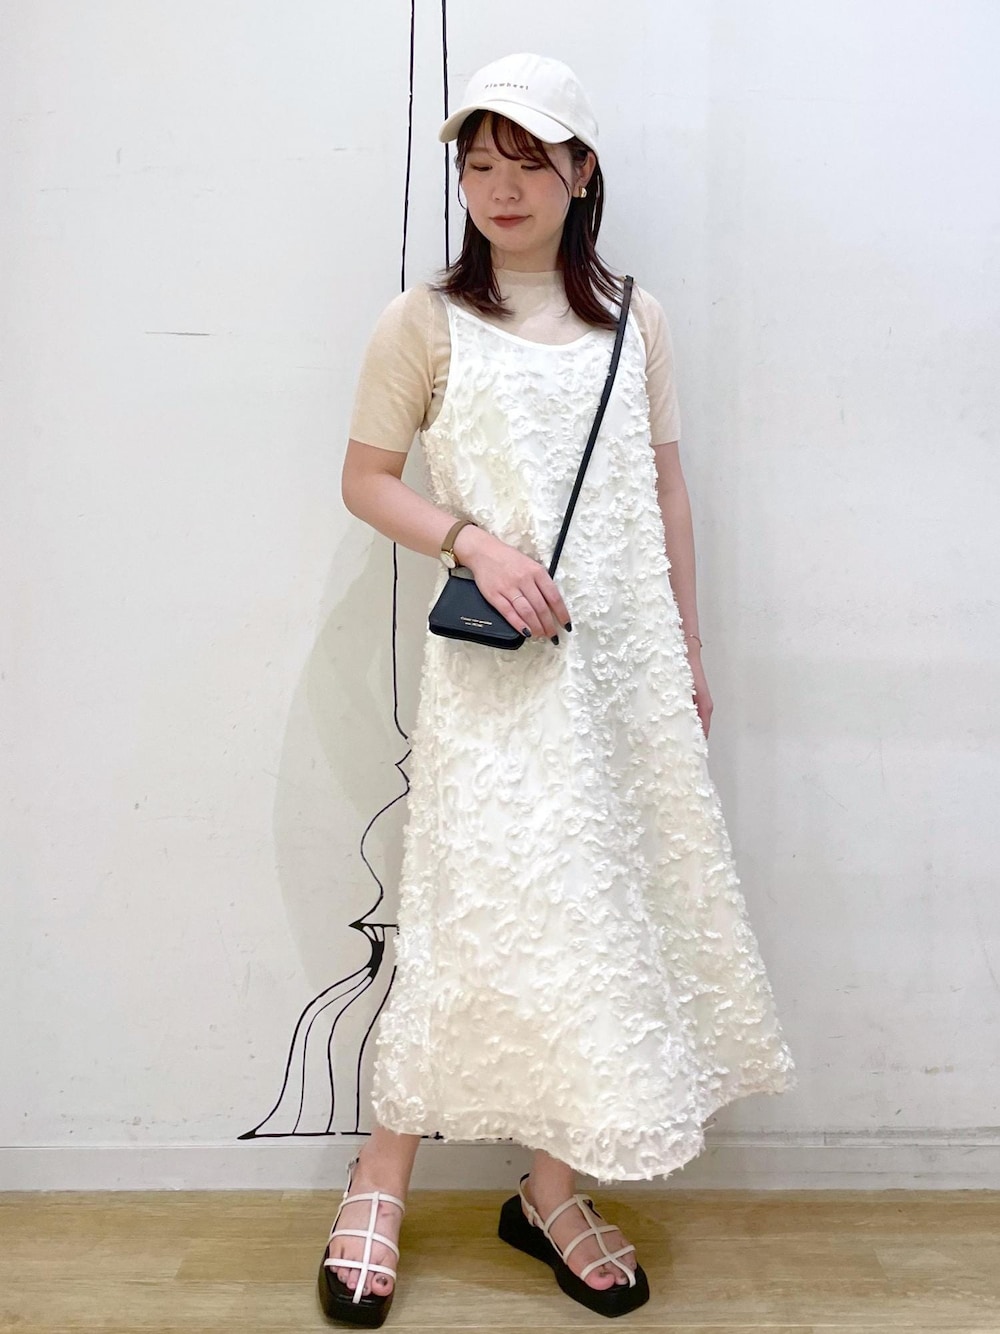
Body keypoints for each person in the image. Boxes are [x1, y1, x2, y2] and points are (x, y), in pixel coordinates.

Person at [318, 52, 797, 1327]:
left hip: (620, 669)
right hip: (498, 676)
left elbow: (665, 487)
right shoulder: (421, 321)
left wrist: (687, 651)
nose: (499, 187)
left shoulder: (636, 319)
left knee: (598, 922)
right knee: (469, 909)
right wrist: (471, 542)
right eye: (479, 164)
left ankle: (548, 1188)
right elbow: (365, 479)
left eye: (528, 162)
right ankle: (379, 1174)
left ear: (582, 173)